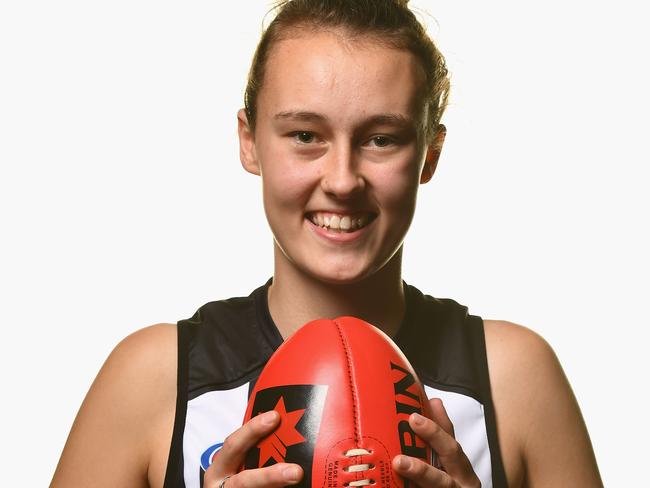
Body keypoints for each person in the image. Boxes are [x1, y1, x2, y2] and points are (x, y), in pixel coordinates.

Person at [51, 1, 603, 487]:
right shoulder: (155, 379)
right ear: (250, 142)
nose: (342, 180)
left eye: (381, 139)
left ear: (429, 154)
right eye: (305, 136)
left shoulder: (513, 378)